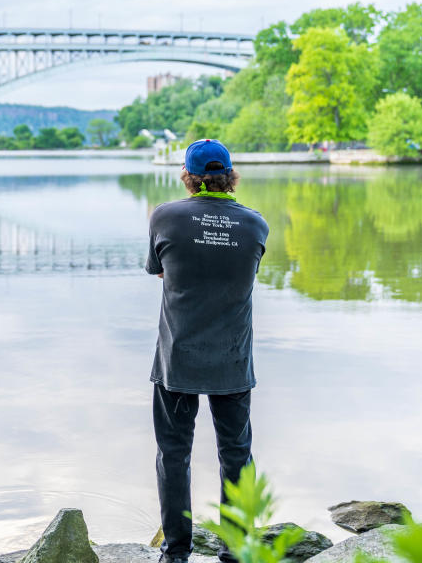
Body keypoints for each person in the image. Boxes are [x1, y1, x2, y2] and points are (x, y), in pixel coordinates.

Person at [145, 139, 269, 563]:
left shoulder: (165, 216)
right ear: (230, 177)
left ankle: (176, 552)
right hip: (233, 361)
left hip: (177, 359)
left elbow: (161, 270)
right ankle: (235, 550)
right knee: (236, 454)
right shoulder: (256, 225)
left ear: (189, 178)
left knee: (173, 454)